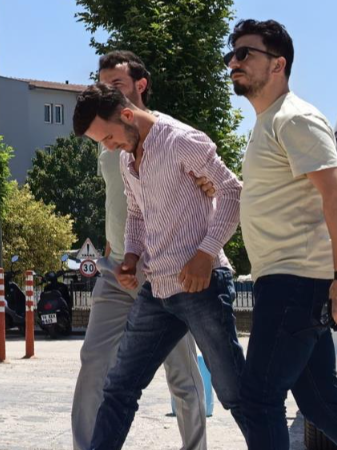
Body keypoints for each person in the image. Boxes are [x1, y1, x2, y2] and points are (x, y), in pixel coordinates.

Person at [226, 19, 337, 449]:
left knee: (258, 401)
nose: (233, 62)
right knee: (321, 404)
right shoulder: (269, 122)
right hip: (288, 282)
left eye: (244, 53)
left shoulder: (295, 117)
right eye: (230, 55)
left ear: (278, 64)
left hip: (294, 283)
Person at [73, 83, 251, 450]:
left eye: (108, 137)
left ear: (127, 115)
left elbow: (232, 191)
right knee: (119, 387)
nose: (109, 147)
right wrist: (131, 256)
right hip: (157, 290)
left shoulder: (181, 140)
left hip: (202, 286)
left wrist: (206, 253)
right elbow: (136, 214)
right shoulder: (126, 160)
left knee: (235, 393)